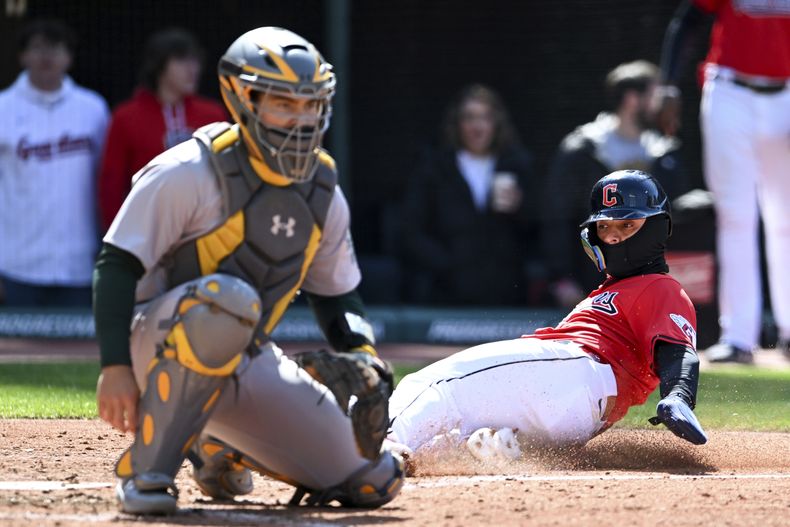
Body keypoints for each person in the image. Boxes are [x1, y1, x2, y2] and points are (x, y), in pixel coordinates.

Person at [93, 26, 403, 515]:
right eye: (284, 103)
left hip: (241, 353)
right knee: (228, 301)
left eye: (311, 105)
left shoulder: (323, 189)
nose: (301, 119)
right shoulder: (189, 170)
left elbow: (337, 296)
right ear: (241, 98)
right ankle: (146, 474)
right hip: (148, 345)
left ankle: (214, 442)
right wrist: (113, 367)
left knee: (375, 478)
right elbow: (116, 265)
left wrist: (364, 358)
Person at [388, 170, 707, 468]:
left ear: (657, 227)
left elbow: (677, 351)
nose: (612, 237)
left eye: (628, 225)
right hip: (579, 412)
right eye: (605, 227)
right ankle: (461, 452)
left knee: (432, 384)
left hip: (578, 370)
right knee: (452, 439)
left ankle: (378, 445)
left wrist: (678, 395)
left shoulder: (661, 287)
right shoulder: (613, 290)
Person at [656, 1, 790, 363]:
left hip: (786, 92)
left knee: (786, 219)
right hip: (731, 91)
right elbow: (691, 17)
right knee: (735, 215)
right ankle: (738, 337)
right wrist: (668, 82)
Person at [542, 61, 686, 309]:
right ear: (632, 99)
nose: (662, 106)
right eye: (655, 97)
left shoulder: (664, 153)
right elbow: (558, 215)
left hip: (649, 284)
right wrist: (561, 278)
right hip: (591, 281)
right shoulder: (583, 150)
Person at [0, 19, 109, 307]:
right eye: (37, 48)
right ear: (22, 55)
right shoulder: (3, 108)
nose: (47, 56)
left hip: (79, 262)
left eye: (56, 48)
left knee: (79, 352)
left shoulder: (93, 109)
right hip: (16, 264)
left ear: (69, 57)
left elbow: (106, 182)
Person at [401, 84, 539, 306]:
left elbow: (538, 229)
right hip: (448, 294)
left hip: (505, 294)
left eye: (485, 118)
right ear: (457, 124)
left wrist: (520, 206)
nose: (478, 126)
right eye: (469, 118)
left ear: (496, 124)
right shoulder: (434, 168)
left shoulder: (518, 165)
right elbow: (411, 231)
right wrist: (448, 266)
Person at [98, 27, 226, 232]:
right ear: (159, 66)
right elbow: (111, 185)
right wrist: (118, 241)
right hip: (146, 233)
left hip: (204, 234)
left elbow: (227, 177)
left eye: (195, 60)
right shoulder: (126, 117)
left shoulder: (213, 115)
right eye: (182, 60)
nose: (192, 69)